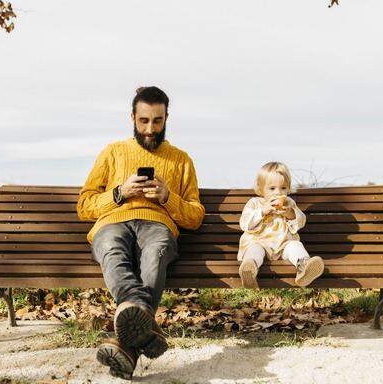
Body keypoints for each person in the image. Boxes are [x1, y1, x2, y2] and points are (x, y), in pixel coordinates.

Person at [76, 86, 205, 380]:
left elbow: (195, 216)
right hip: (113, 222)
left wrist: (167, 197)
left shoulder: (181, 159)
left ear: (166, 118)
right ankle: (142, 321)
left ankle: (127, 339)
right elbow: (84, 205)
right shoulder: (112, 152)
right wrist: (120, 193)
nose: (150, 129)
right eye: (144, 120)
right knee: (111, 249)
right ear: (132, 117)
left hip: (157, 225)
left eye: (157, 121)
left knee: (156, 253)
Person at [237, 162, 325, 289]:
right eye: (272, 188)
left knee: (295, 245)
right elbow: (245, 224)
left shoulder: (289, 203)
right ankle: (249, 269)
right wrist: (262, 211)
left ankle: (304, 267)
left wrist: (290, 214)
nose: (278, 193)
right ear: (261, 189)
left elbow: (301, 222)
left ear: (288, 188)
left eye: (283, 188)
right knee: (254, 250)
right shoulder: (255, 203)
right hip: (259, 243)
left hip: (283, 245)